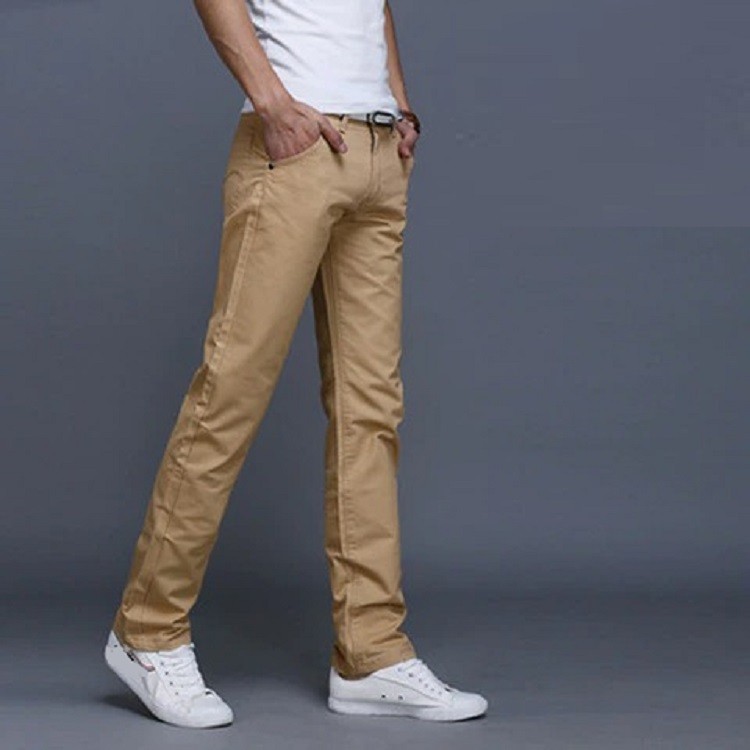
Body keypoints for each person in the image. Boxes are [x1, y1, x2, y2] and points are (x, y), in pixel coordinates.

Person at [104, 0, 488, 728]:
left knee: (371, 409)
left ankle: (371, 651)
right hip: (296, 147)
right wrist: (273, 104)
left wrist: (400, 106)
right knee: (231, 391)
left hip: (377, 152)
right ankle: (147, 630)